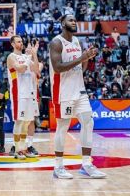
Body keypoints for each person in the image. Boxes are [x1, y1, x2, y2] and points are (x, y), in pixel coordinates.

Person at [49, 14, 106, 179]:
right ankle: (58, 167)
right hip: (63, 91)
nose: (74, 22)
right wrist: (82, 57)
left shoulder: (77, 42)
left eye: (75, 20)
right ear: (62, 23)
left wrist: (86, 58)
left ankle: (86, 164)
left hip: (79, 90)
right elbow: (58, 67)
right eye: (70, 20)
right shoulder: (56, 42)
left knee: (88, 122)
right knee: (63, 126)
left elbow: (81, 69)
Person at [6, 35, 38, 160]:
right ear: (13, 44)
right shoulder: (11, 57)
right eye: (18, 41)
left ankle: (23, 148)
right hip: (18, 93)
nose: (21, 43)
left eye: (22, 41)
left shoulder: (26, 57)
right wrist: (29, 56)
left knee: (27, 122)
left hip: (29, 93)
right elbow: (21, 69)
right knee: (19, 121)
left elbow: (36, 69)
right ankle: (17, 149)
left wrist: (34, 54)